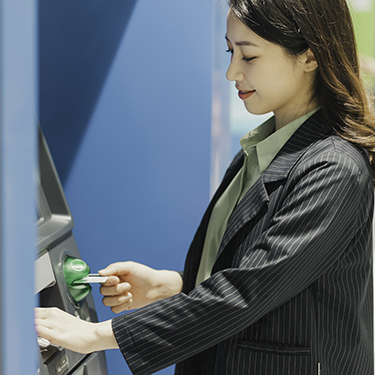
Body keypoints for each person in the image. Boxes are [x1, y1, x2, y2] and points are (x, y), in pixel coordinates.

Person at [35, 0, 375, 374]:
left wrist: (98, 335)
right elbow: (254, 271)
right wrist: (174, 285)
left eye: (249, 56)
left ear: (310, 56)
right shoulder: (260, 151)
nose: (232, 72)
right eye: (231, 52)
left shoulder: (335, 169)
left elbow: (248, 291)